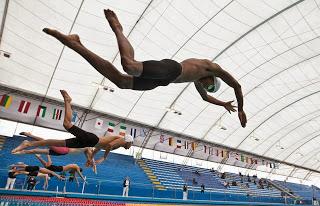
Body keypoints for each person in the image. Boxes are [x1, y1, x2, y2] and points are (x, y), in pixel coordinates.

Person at [42, 9, 247, 128]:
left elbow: (204, 98)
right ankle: (117, 28)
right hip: (172, 69)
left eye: (207, 87)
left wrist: (223, 105)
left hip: (161, 82)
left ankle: (75, 44)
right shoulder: (210, 67)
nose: (205, 86)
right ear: (213, 78)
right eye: (210, 86)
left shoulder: (196, 81)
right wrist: (242, 108)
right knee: (129, 65)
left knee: (121, 82)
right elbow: (236, 85)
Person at [12, 90, 134, 166]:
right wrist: (103, 158)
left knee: (57, 143)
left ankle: (28, 143)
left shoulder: (121, 143)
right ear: (129, 141)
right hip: (91, 140)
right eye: (131, 145)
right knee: (66, 124)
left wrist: (90, 158)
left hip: (89, 143)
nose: (129, 147)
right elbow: (109, 146)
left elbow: (98, 148)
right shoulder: (123, 139)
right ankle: (68, 101)